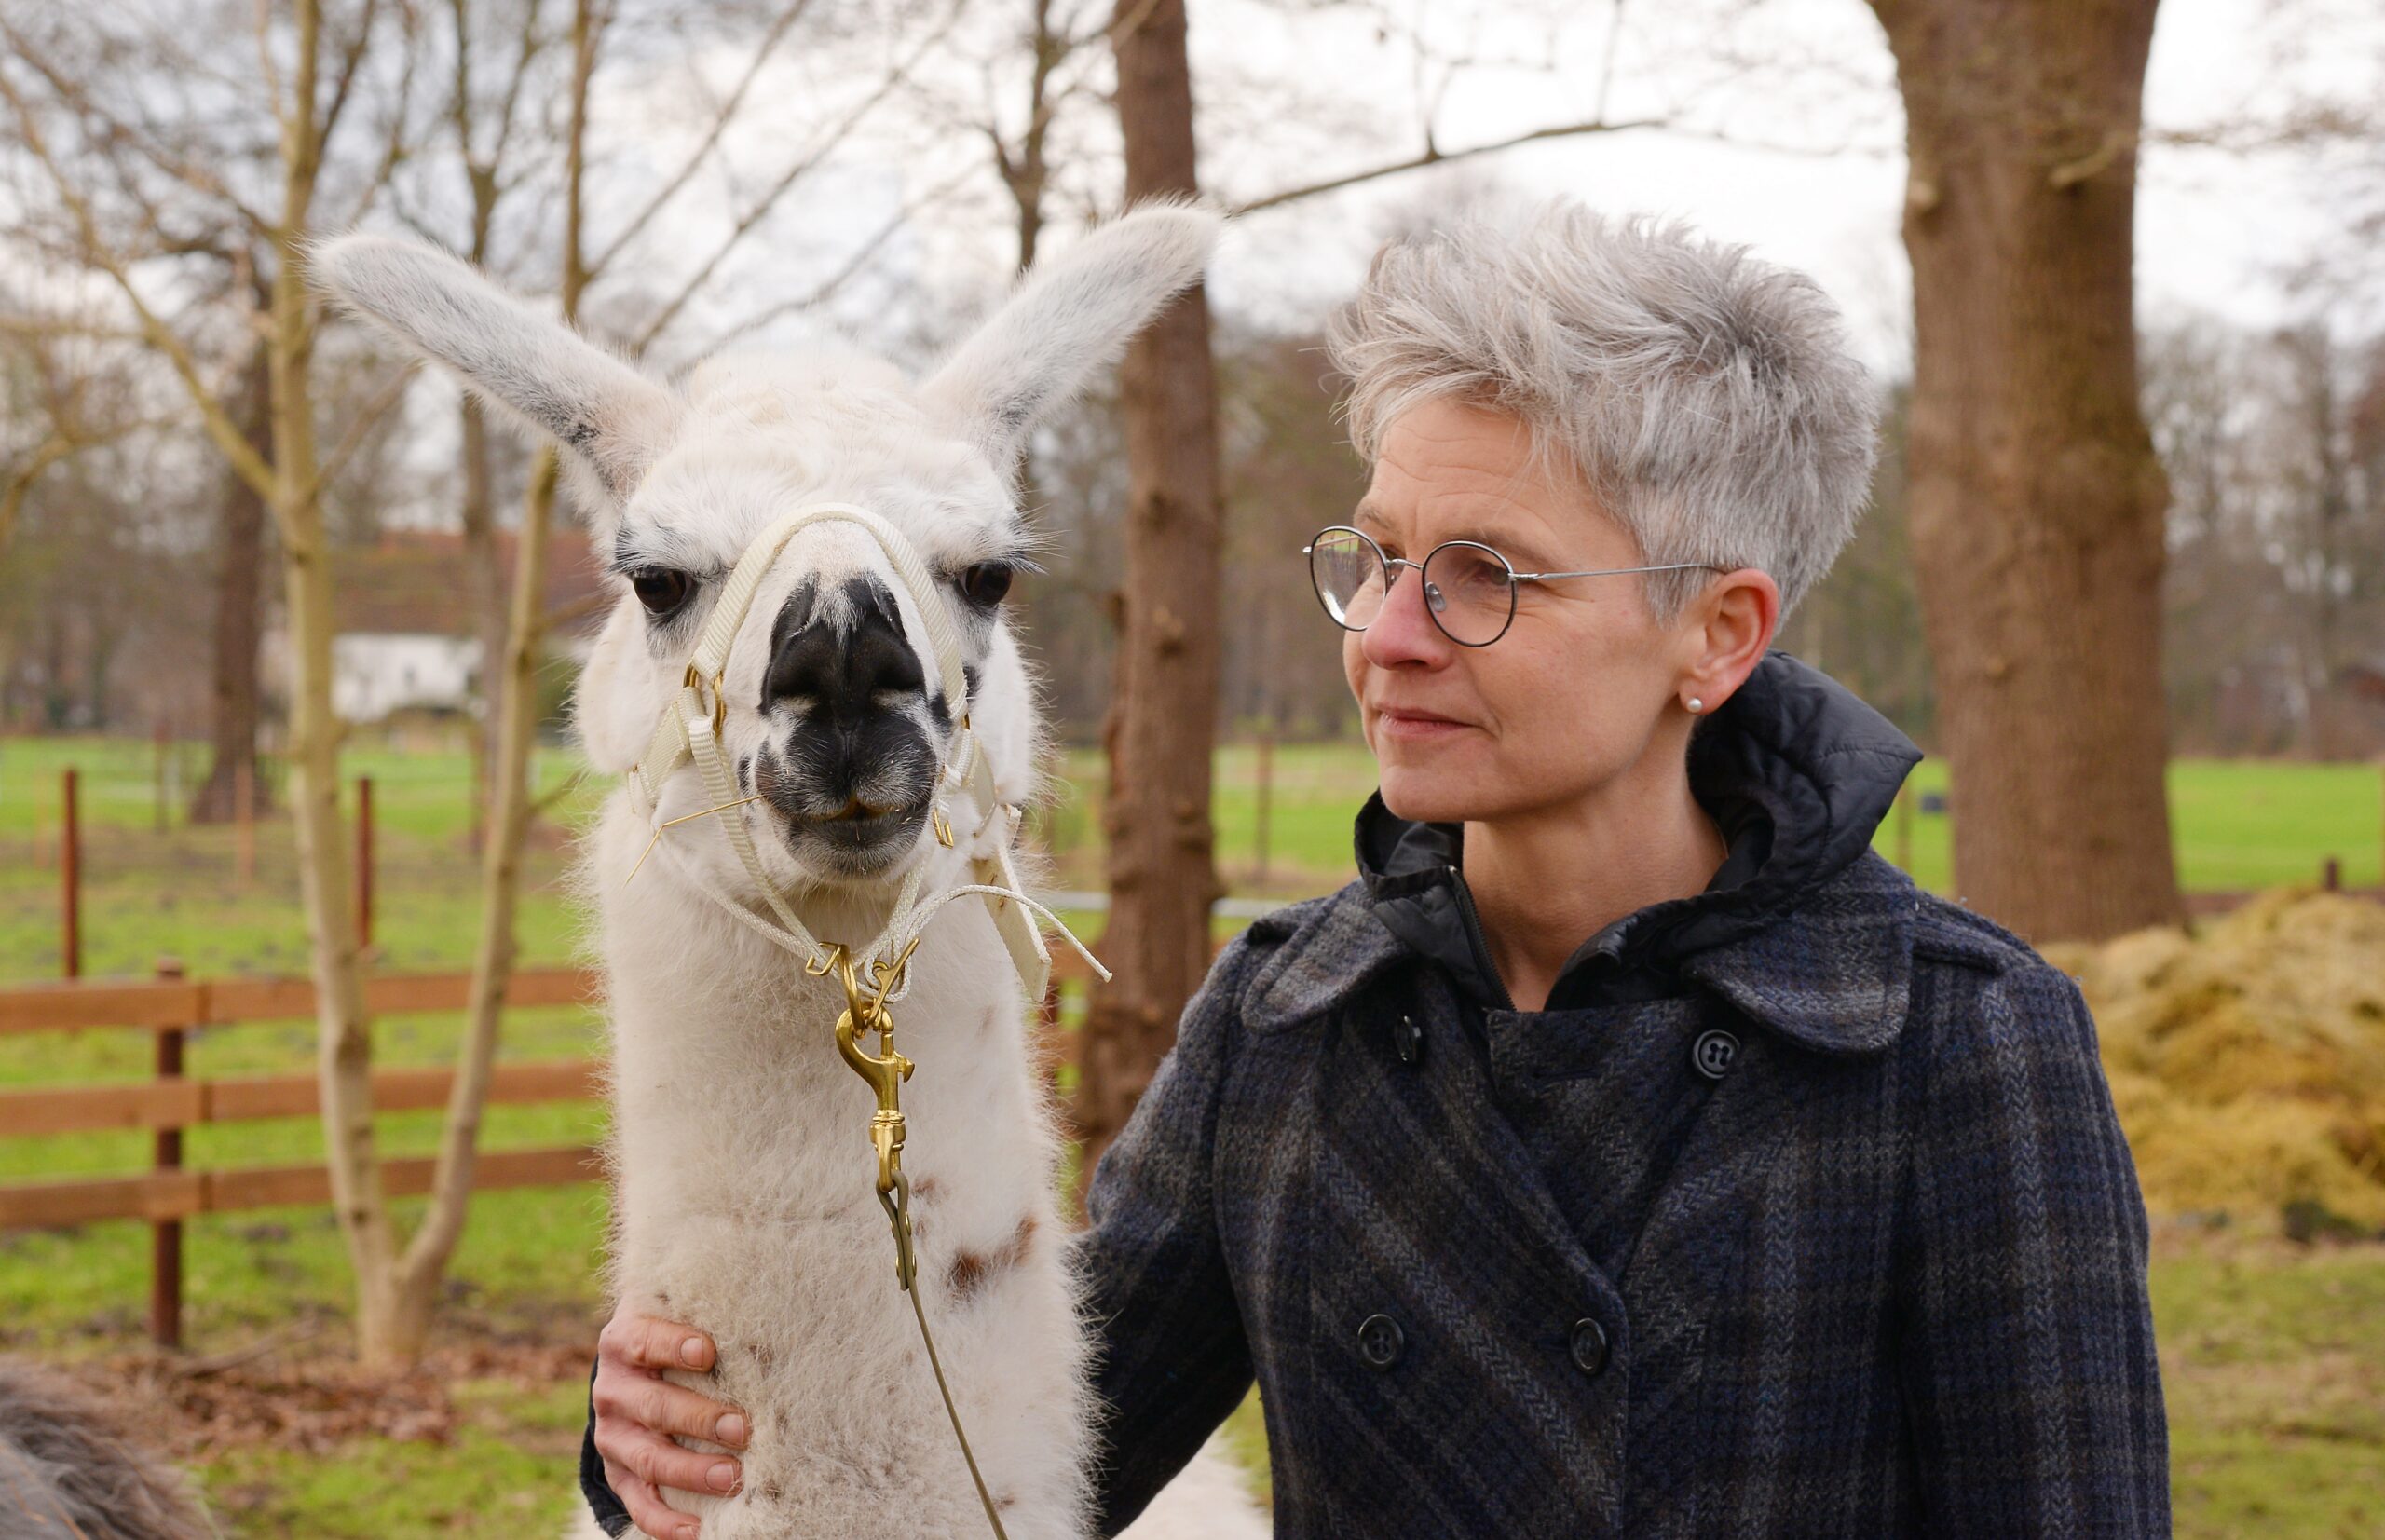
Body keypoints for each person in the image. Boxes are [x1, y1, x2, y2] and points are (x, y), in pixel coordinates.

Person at [582, 203, 2169, 1538]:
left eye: (1486, 579)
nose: (1392, 636)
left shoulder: (1960, 1045)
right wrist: (673, 1427)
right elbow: (1020, 1459)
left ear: (1719, 633)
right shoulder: (1290, 1023)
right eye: (1378, 559)